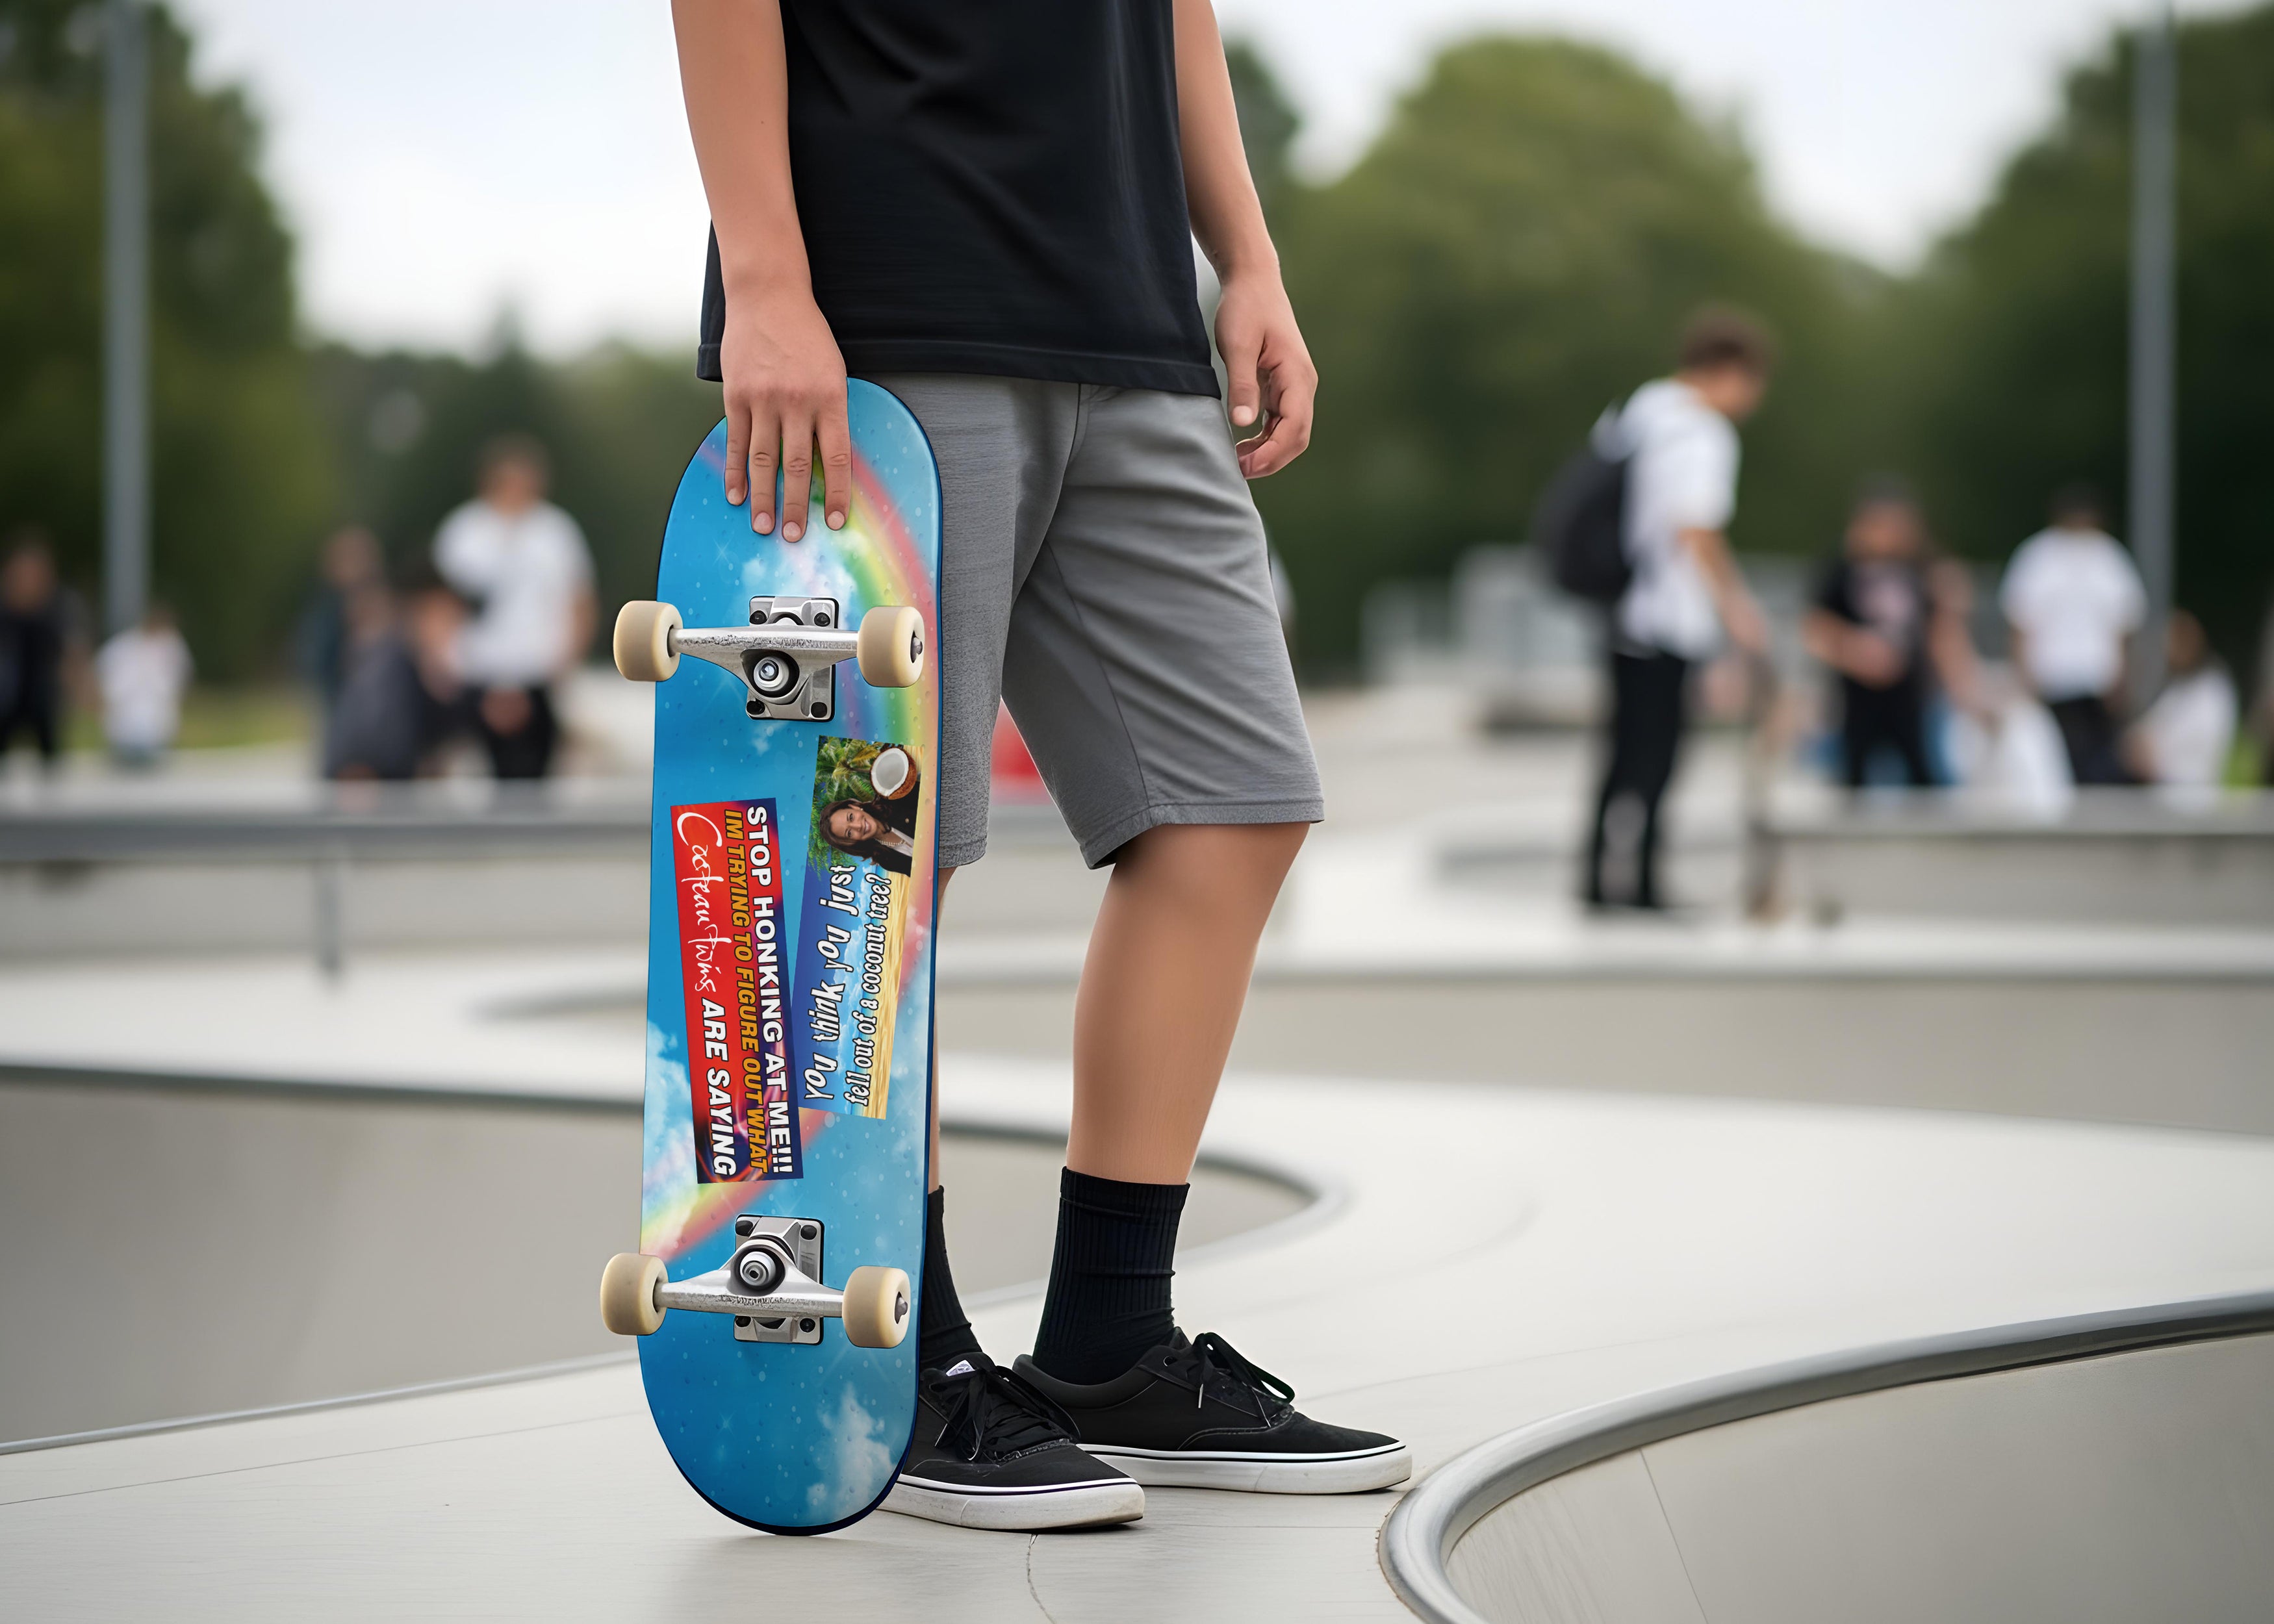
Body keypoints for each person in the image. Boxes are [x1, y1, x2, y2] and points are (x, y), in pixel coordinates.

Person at [672, 0, 1405, 1530]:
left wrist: (1248, 257)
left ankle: (1108, 1341)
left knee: (1235, 804)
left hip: (1135, 316)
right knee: (875, 856)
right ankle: (908, 1359)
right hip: (897, 299)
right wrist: (766, 277)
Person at [1583, 307, 1773, 910]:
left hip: (1618, 604)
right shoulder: (1703, 432)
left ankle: (1594, 879)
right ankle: (1641, 882)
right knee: (1660, 755)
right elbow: (1696, 529)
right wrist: (1737, 608)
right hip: (1666, 617)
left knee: (1620, 751)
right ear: (1732, 371)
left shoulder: (1640, 410)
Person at [431, 436, 594, 781]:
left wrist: (564, 665)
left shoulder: (556, 532)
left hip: (537, 679)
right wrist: (442, 667)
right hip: (474, 680)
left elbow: (579, 603)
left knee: (536, 782)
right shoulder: (463, 532)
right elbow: (440, 608)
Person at [1802, 479, 1973, 789]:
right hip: (1856, 697)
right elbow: (1816, 628)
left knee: (1924, 774)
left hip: (1913, 695)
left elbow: (1943, 632)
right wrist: (1856, 652)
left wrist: (1962, 683)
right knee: (1854, 776)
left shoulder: (1924, 568)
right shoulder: (1840, 569)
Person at [1998, 485, 2145, 786]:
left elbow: (2124, 624)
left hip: (2096, 678)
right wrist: (2024, 674)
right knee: (2057, 759)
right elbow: (2021, 622)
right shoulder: (2039, 555)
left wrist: (2121, 676)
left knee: (2097, 757)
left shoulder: (2106, 555)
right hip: (2052, 678)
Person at [2125, 609, 2236, 792]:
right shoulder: (2177, 688)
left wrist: (2154, 758)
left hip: (2189, 798)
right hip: (2159, 794)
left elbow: (2200, 745)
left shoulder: (2212, 691)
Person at [0, 534, 83, 775]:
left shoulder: (58, 607)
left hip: (44, 698)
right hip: (7, 697)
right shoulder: (5, 607)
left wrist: (78, 685)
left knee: (52, 763)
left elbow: (73, 649)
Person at [96, 603, 193, 768]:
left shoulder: (172, 646)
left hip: (157, 734)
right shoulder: (123, 647)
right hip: (123, 733)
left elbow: (180, 680)